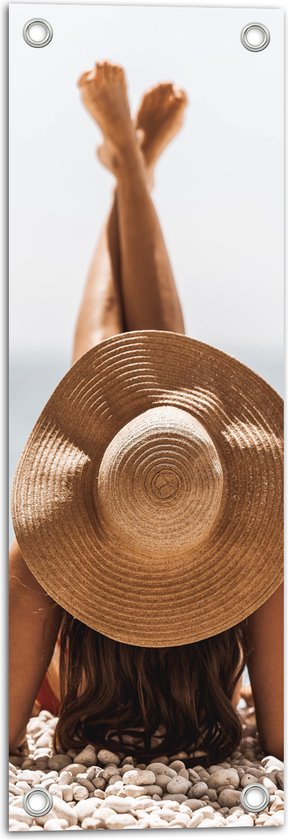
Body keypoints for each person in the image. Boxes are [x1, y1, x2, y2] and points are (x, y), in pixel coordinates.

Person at [9, 61, 283, 765]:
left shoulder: (35, 560)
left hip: (84, 703)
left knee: (108, 368)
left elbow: (4, 732)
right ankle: (132, 164)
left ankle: (129, 163)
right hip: (201, 717)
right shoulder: (261, 557)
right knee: (156, 391)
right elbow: (282, 738)